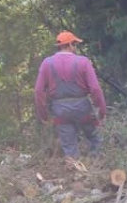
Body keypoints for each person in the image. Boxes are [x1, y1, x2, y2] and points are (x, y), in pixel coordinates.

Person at [34, 31, 107, 161]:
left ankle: (76, 173)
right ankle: (98, 167)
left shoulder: (47, 63)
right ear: (70, 45)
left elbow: (39, 91)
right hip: (82, 107)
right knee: (95, 139)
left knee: (69, 148)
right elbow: (95, 88)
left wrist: (43, 115)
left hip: (60, 110)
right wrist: (101, 111)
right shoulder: (83, 62)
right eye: (75, 44)